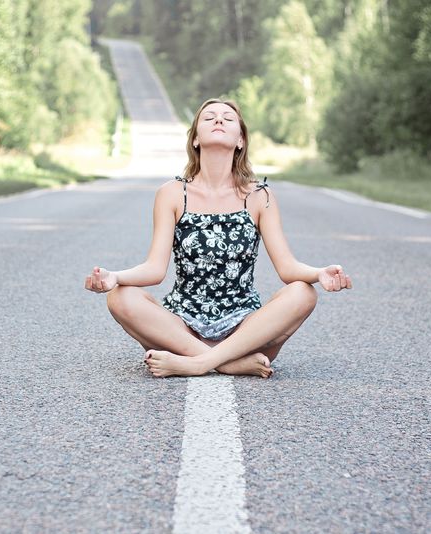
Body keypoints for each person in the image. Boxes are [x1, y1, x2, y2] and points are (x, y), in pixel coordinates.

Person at [84, 98, 352, 378]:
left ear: (240, 140)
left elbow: (288, 269)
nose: (219, 120)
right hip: (182, 327)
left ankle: (197, 363)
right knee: (120, 297)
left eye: (228, 118)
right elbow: (154, 269)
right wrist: (115, 277)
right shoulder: (173, 193)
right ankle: (227, 364)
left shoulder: (260, 196)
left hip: (245, 330)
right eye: (209, 117)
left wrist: (319, 273)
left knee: (303, 292)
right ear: (196, 139)